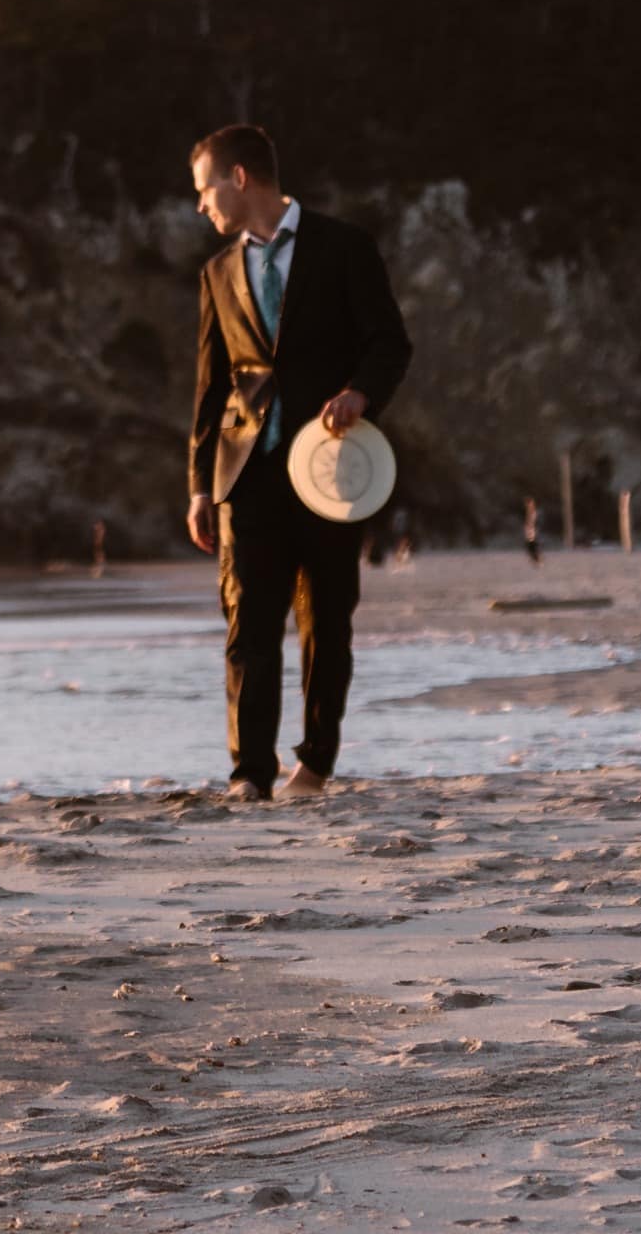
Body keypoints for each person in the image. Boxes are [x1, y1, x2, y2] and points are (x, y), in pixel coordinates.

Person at [185, 124, 411, 801]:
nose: (203, 206)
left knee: (326, 620)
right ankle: (248, 774)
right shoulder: (217, 272)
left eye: (206, 189)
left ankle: (313, 766)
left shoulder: (345, 248)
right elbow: (209, 385)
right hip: (244, 471)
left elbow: (390, 342)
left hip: (331, 471)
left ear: (240, 178)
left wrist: (360, 394)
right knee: (246, 624)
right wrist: (199, 486)